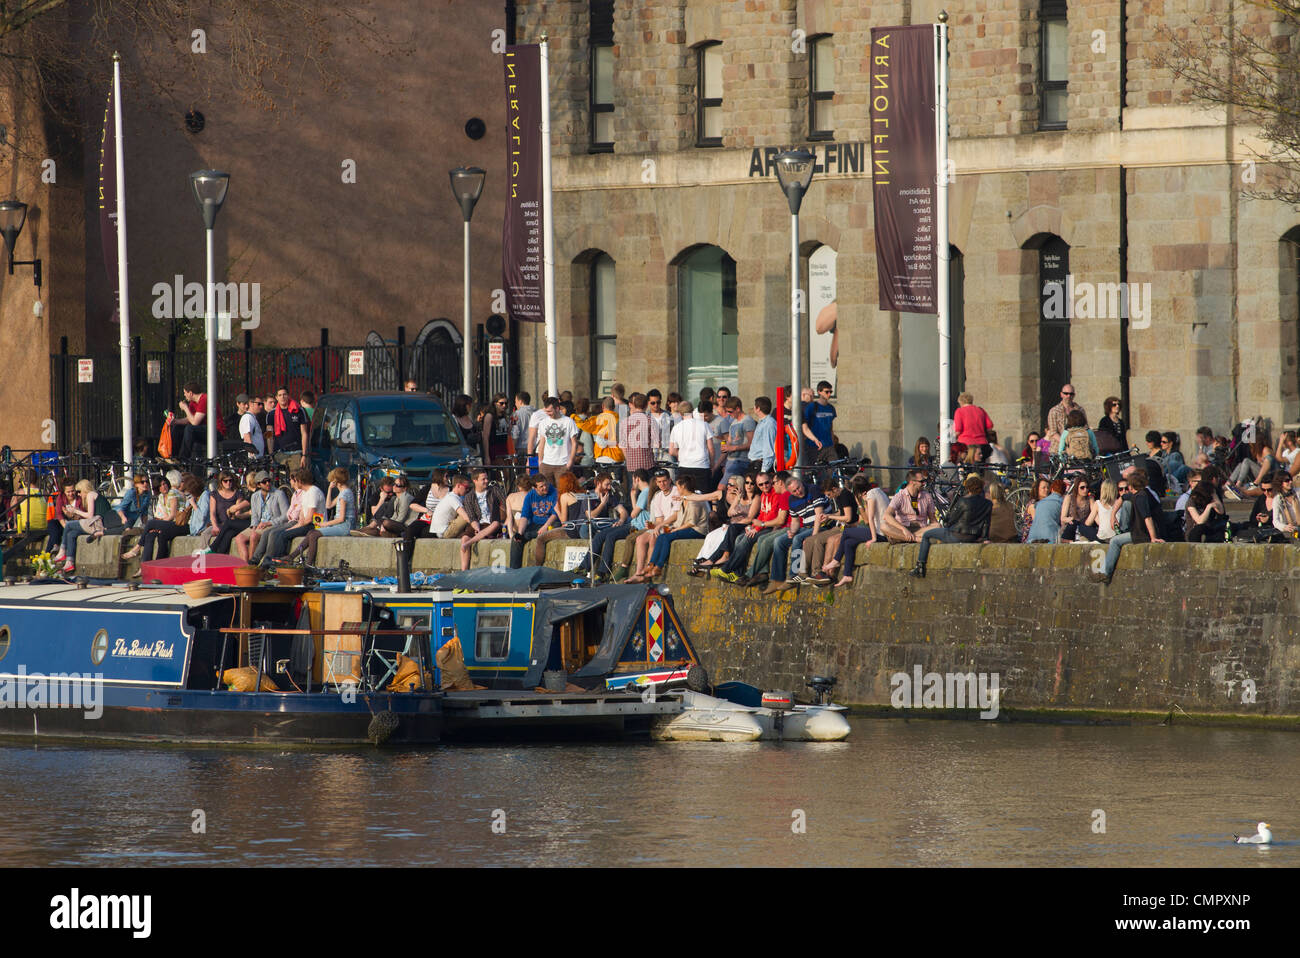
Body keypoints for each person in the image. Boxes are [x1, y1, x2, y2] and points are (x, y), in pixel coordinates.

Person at [909, 474, 992, 577]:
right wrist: (985, 538)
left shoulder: (963, 501)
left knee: (926, 535)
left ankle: (920, 566)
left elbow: (950, 520)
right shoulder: (988, 504)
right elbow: (986, 523)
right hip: (973, 537)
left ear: (968, 488)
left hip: (957, 535)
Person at [632, 475, 709, 582]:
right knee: (662, 537)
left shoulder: (694, 500)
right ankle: (651, 564)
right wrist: (669, 527)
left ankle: (659, 566)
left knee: (667, 537)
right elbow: (680, 518)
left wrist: (677, 530)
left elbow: (692, 522)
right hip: (688, 528)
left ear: (683, 487)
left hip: (698, 530)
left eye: (677, 486)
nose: (676, 489)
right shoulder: (684, 499)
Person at [1093, 470, 1162, 584]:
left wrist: (1153, 537)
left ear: (1130, 486)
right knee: (1125, 504)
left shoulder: (1141, 498)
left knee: (1114, 541)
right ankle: (1123, 531)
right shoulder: (1138, 493)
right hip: (1137, 531)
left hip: (1142, 534)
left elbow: (1148, 518)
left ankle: (1106, 573)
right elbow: (1122, 498)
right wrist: (1113, 515)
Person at [764, 475, 828, 593]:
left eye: (799, 487)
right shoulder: (792, 500)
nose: (798, 491)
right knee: (779, 541)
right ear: (790, 492)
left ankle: (794, 574)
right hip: (807, 527)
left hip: (822, 525)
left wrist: (813, 536)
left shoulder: (813, 489)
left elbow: (819, 515)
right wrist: (792, 531)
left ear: (801, 483)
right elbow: (795, 521)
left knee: (798, 539)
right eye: (794, 491)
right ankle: (776, 579)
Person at [587, 469, 651, 579]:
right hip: (632, 523)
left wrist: (632, 496)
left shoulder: (645, 492)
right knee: (600, 535)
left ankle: (603, 571)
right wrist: (632, 494)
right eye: (607, 484)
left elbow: (633, 513)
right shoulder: (644, 492)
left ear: (637, 479)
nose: (609, 487)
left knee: (610, 536)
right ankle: (585, 567)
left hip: (636, 526)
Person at [820, 476, 880, 587]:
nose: (852, 494)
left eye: (853, 491)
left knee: (845, 534)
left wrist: (859, 504)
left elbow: (867, 520)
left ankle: (835, 561)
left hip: (878, 533)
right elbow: (864, 519)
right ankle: (847, 574)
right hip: (871, 530)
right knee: (848, 543)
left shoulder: (870, 497)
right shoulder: (873, 494)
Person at [55, 479, 124, 573]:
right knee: (71, 534)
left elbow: (90, 515)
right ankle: (69, 562)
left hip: (98, 523)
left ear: (84, 489)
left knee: (69, 525)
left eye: (79, 491)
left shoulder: (91, 494)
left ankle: (62, 550)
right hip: (97, 523)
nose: (78, 494)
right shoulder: (92, 495)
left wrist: (75, 510)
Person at [289, 467, 357, 564]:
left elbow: (341, 518)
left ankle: (308, 563)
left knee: (314, 534)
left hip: (345, 526)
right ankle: (293, 557)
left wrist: (325, 524)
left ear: (335, 480)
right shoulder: (344, 492)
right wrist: (329, 489)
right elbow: (328, 505)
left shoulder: (344, 495)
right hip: (342, 525)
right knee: (311, 533)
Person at [129, 474, 200, 564]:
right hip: (170, 524)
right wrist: (159, 524)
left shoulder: (172, 493)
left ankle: (137, 547)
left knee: (151, 523)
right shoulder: (162, 497)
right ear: (157, 488)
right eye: (161, 485)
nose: (164, 486)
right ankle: (146, 564)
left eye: (165, 484)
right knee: (151, 534)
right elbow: (162, 515)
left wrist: (158, 524)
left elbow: (172, 515)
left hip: (181, 524)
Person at [261, 469, 325, 564]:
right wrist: (294, 527)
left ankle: (279, 560)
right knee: (282, 532)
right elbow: (302, 519)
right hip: (306, 524)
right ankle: (272, 559)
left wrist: (294, 528)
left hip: (315, 525)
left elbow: (309, 519)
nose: (294, 483)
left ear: (300, 481)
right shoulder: (305, 493)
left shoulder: (313, 492)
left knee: (283, 535)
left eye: (296, 480)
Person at [457, 468, 507, 570]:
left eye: (487, 478)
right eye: (483, 479)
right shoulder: (469, 497)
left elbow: (506, 504)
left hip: (493, 522)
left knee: (496, 524)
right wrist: (478, 529)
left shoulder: (494, 490)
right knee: (464, 538)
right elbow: (472, 518)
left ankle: (469, 543)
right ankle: (464, 571)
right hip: (479, 524)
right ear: (475, 481)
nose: (486, 481)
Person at [235, 472, 290, 561]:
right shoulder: (255, 496)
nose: (268, 483)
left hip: (273, 524)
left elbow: (286, 515)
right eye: (264, 482)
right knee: (239, 538)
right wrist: (254, 526)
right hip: (259, 525)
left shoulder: (279, 494)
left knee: (254, 536)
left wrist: (269, 523)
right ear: (259, 485)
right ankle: (244, 564)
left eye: (268, 481)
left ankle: (251, 564)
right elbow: (255, 516)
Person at [510, 475, 560, 568]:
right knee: (516, 539)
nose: (545, 488)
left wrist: (545, 527)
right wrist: (520, 533)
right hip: (536, 524)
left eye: (546, 485)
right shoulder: (530, 495)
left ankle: (532, 535)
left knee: (548, 529)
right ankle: (514, 570)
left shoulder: (554, 492)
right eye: (541, 486)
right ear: (534, 488)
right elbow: (525, 516)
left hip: (551, 523)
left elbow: (555, 514)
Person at [879, 469, 939, 543]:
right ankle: (915, 539)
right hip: (903, 527)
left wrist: (937, 529)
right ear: (912, 482)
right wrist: (903, 529)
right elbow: (887, 515)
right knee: (883, 526)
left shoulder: (927, 496)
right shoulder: (900, 496)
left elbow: (932, 519)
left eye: (924, 481)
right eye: (921, 481)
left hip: (920, 528)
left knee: (937, 526)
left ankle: (904, 538)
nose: (924, 483)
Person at [669, 400, 715, 492]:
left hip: (684, 466)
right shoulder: (704, 425)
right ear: (692, 411)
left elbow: (672, 451)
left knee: (685, 497)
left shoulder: (676, 428)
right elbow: (711, 448)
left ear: (680, 413)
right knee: (704, 498)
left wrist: (682, 453)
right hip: (702, 466)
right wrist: (712, 465)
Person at [532, 397, 581, 483]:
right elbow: (542, 442)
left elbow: (574, 443)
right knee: (546, 493)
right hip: (546, 463)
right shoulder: (543, 422)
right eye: (546, 411)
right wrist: (540, 461)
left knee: (563, 493)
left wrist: (570, 462)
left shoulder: (568, 421)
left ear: (557, 409)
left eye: (550, 411)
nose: (548, 414)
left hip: (563, 464)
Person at [172, 382, 225, 459]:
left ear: (190, 393)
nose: (184, 395)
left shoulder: (204, 399)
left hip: (216, 431)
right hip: (203, 429)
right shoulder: (193, 403)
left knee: (190, 429)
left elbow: (194, 422)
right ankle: (174, 457)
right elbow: (190, 419)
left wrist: (185, 408)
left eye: (184, 393)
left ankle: (184, 459)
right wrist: (175, 421)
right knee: (178, 428)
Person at [204, 471, 251, 555]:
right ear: (221, 482)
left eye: (230, 480)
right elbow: (212, 513)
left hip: (231, 524)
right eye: (225, 481)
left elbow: (237, 514)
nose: (228, 483)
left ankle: (215, 551)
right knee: (206, 534)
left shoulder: (238, 494)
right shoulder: (214, 494)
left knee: (229, 533)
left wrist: (233, 513)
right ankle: (209, 556)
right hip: (218, 524)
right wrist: (215, 526)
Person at [268, 387, 310, 469]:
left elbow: (304, 433)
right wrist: (270, 455)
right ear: (276, 398)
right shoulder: (271, 414)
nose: (282, 397)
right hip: (279, 454)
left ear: (288, 396)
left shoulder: (299, 410)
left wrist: (304, 455)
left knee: (296, 480)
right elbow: (269, 436)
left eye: (284, 394)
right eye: (280, 395)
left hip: (296, 453)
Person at [802, 380, 838, 457]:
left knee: (833, 467)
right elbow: (805, 426)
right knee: (816, 468)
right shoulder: (811, 407)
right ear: (819, 392)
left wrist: (832, 442)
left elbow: (831, 427)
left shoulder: (831, 408)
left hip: (829, 445)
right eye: (827, 392)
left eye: (830, 392)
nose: (829, 394)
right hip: (814, 446)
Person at [953, 393, 993, 458]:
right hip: (981, 443)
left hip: (965, 444)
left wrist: (953, 439)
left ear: (960, 402)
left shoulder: (959, 411)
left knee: (966, 465)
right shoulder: (980, 410)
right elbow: (990, 427)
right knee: (981, 465)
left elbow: (958, 430)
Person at [1025, 479, 1066, 543]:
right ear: (1037, 489)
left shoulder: (1049, 502)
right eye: (1043, 488)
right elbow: (1040, 523)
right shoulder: (1033, 504)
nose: (1046, 490)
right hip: (1032, 537)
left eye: (1048, 487)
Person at [1061, 476, 1099, 541]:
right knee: (1073, 523)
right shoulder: (1069, 498)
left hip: (1084, 527)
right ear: (1077, 488)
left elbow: (1095, 514)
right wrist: (1070, 519)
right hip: (1071, 527)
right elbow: (1062, 518)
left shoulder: (1090, 499)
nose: (1085, 490)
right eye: (1082, 487)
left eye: (1087, 487)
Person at [748, 397, 777, 473]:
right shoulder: (762, 422)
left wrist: (763, 470)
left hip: (760, 464)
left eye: (755, 406)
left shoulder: (769, 423)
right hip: (754, 463)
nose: (753, 408)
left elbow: (769, 448)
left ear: (758, 408)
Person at [510, 391, 536, 464]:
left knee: (522, 473)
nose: (515, 404)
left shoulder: (516, 414)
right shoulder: (537, 412)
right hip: (535, 447)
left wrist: (513, 450)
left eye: (516, 402)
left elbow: (515, 433)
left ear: (520, 401)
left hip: (522, 448)